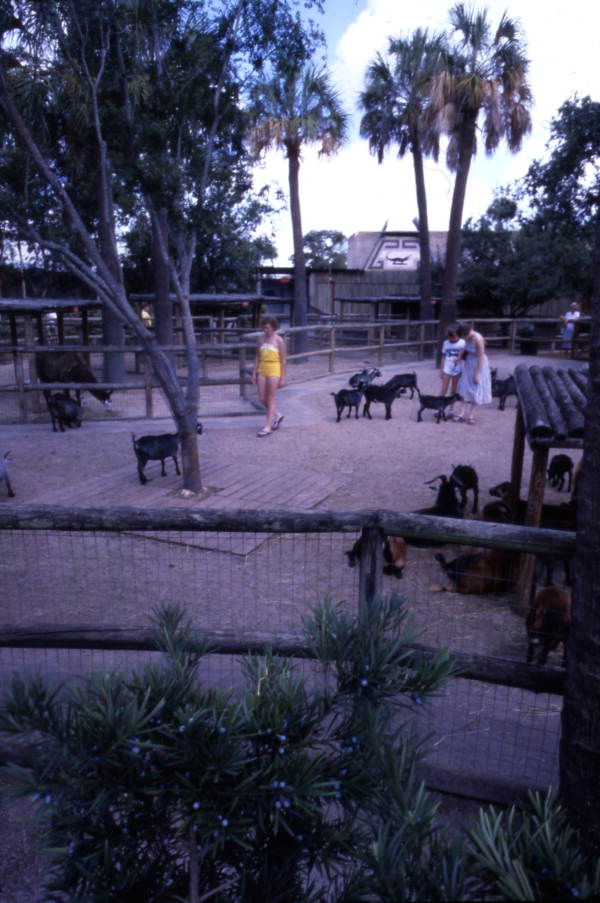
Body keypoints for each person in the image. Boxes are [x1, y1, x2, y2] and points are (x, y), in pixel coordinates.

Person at [251, 315, 286, 437]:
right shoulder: (260, 339)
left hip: (274, 368)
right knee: (261, 398)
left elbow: (283, 360)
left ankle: (268, 426)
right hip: (262, 368)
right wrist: (254, 373)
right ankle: (277, 415)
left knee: (271, 398)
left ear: (273, 328)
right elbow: (257, 356)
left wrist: (282, 378)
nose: (265, 330)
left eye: (267, 328)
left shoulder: (279, 340)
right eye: (264, 328)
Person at [452, 322, 492, 425]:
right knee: (465, 386)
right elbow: (465, 348)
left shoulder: (478, 339)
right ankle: (461, 413)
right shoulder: (466, 337)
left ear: (465, 333)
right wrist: (459, 358)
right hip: (469, 362)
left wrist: (477, 374)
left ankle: (471, 415)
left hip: (479, 364)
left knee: (475, 387)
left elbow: (481, 357)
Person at [438, 323, 465, 416]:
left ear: (458, 334)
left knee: (454, 388)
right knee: (443, 388)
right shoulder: (446, 343)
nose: (451, 338)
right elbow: (443, 356)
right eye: (449, 336)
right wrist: (441, 370)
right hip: (447, 366)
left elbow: (464, 356)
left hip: (457, 368)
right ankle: (439, 407)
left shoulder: (462, 343)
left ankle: (451, 410)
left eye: (453, 336)